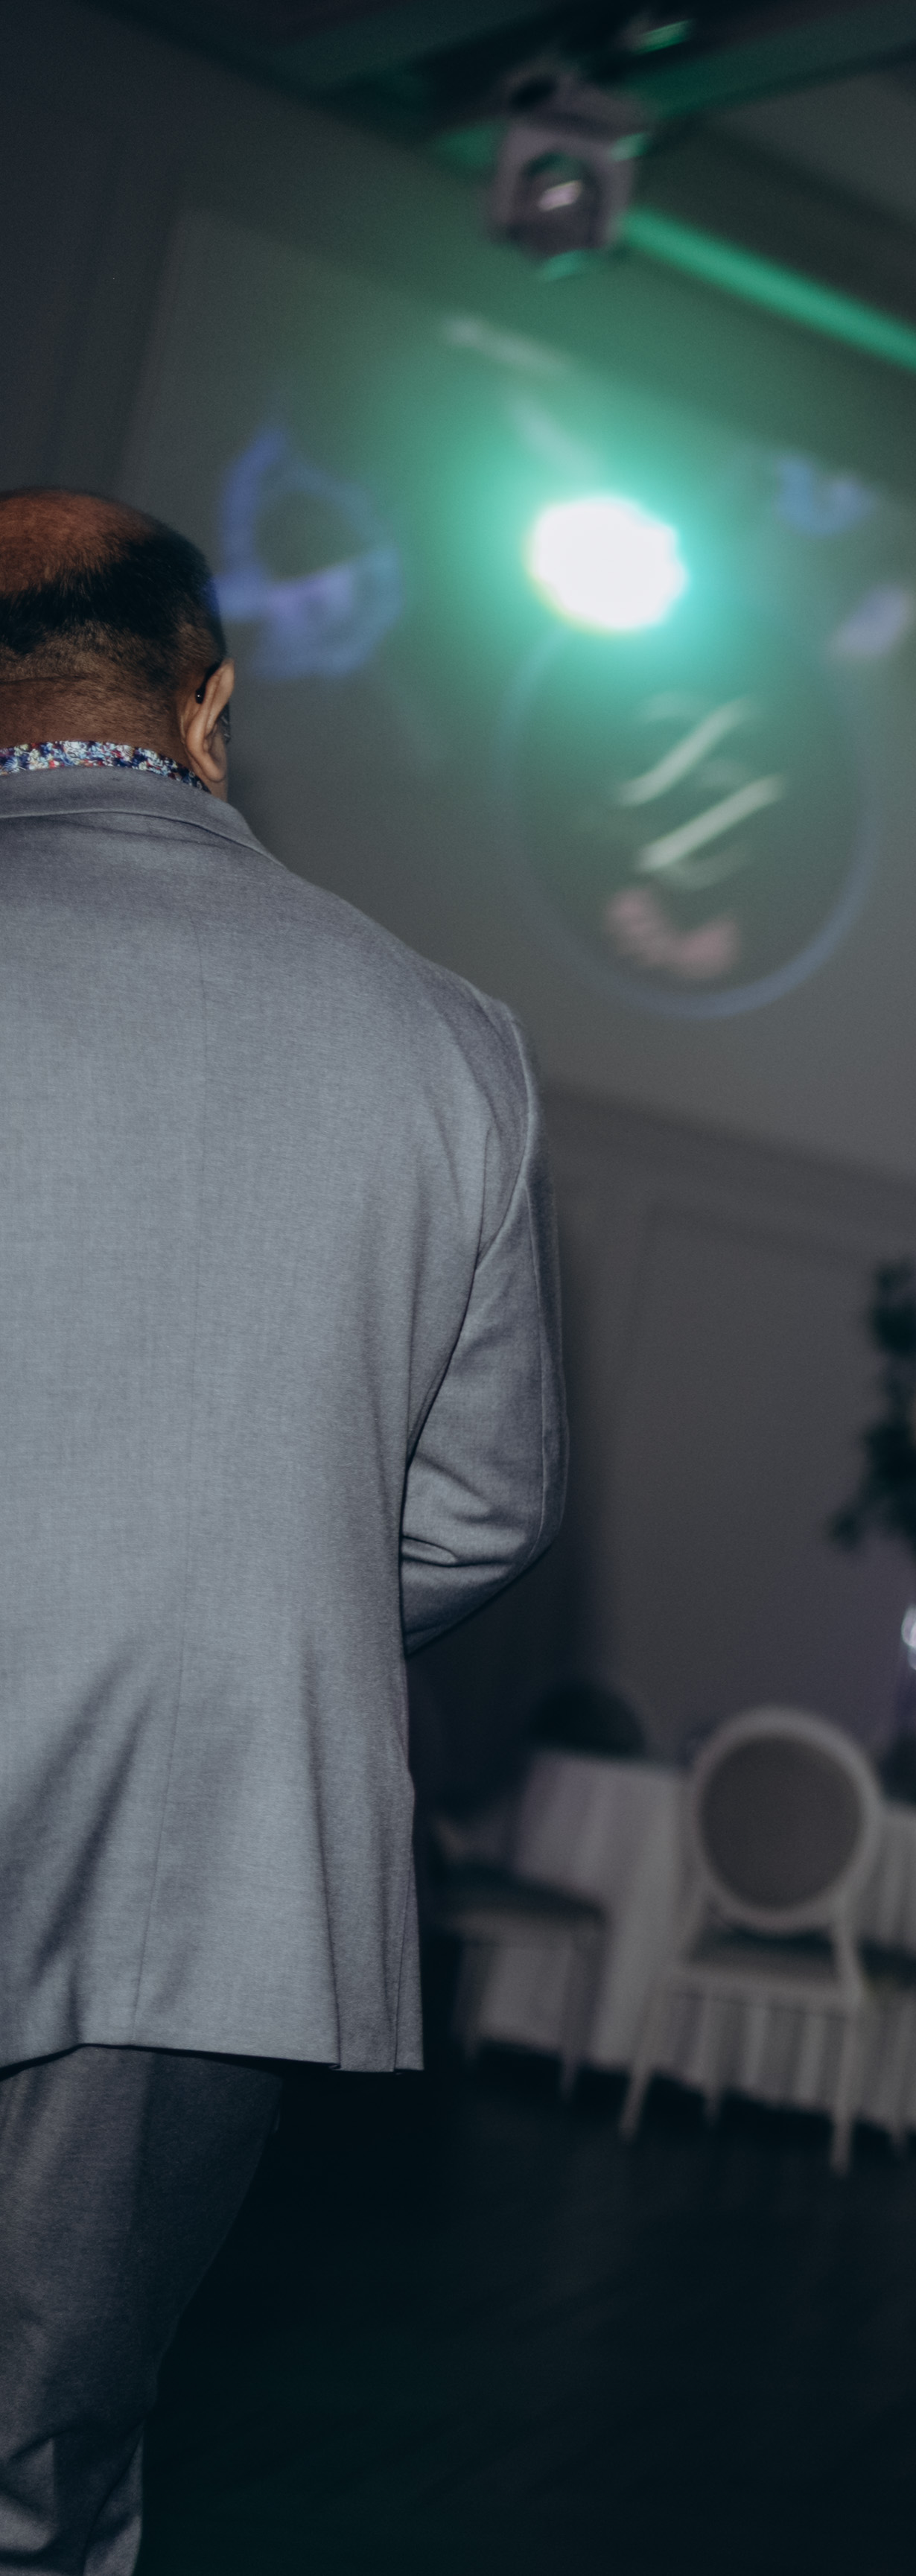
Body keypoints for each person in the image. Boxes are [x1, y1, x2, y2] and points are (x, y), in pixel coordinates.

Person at [0, 490, 566, 2574]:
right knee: (39, 2454)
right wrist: (252, 1599)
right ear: (211, 705)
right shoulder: (444, 1036)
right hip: (204, 1850)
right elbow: (484, 1502)